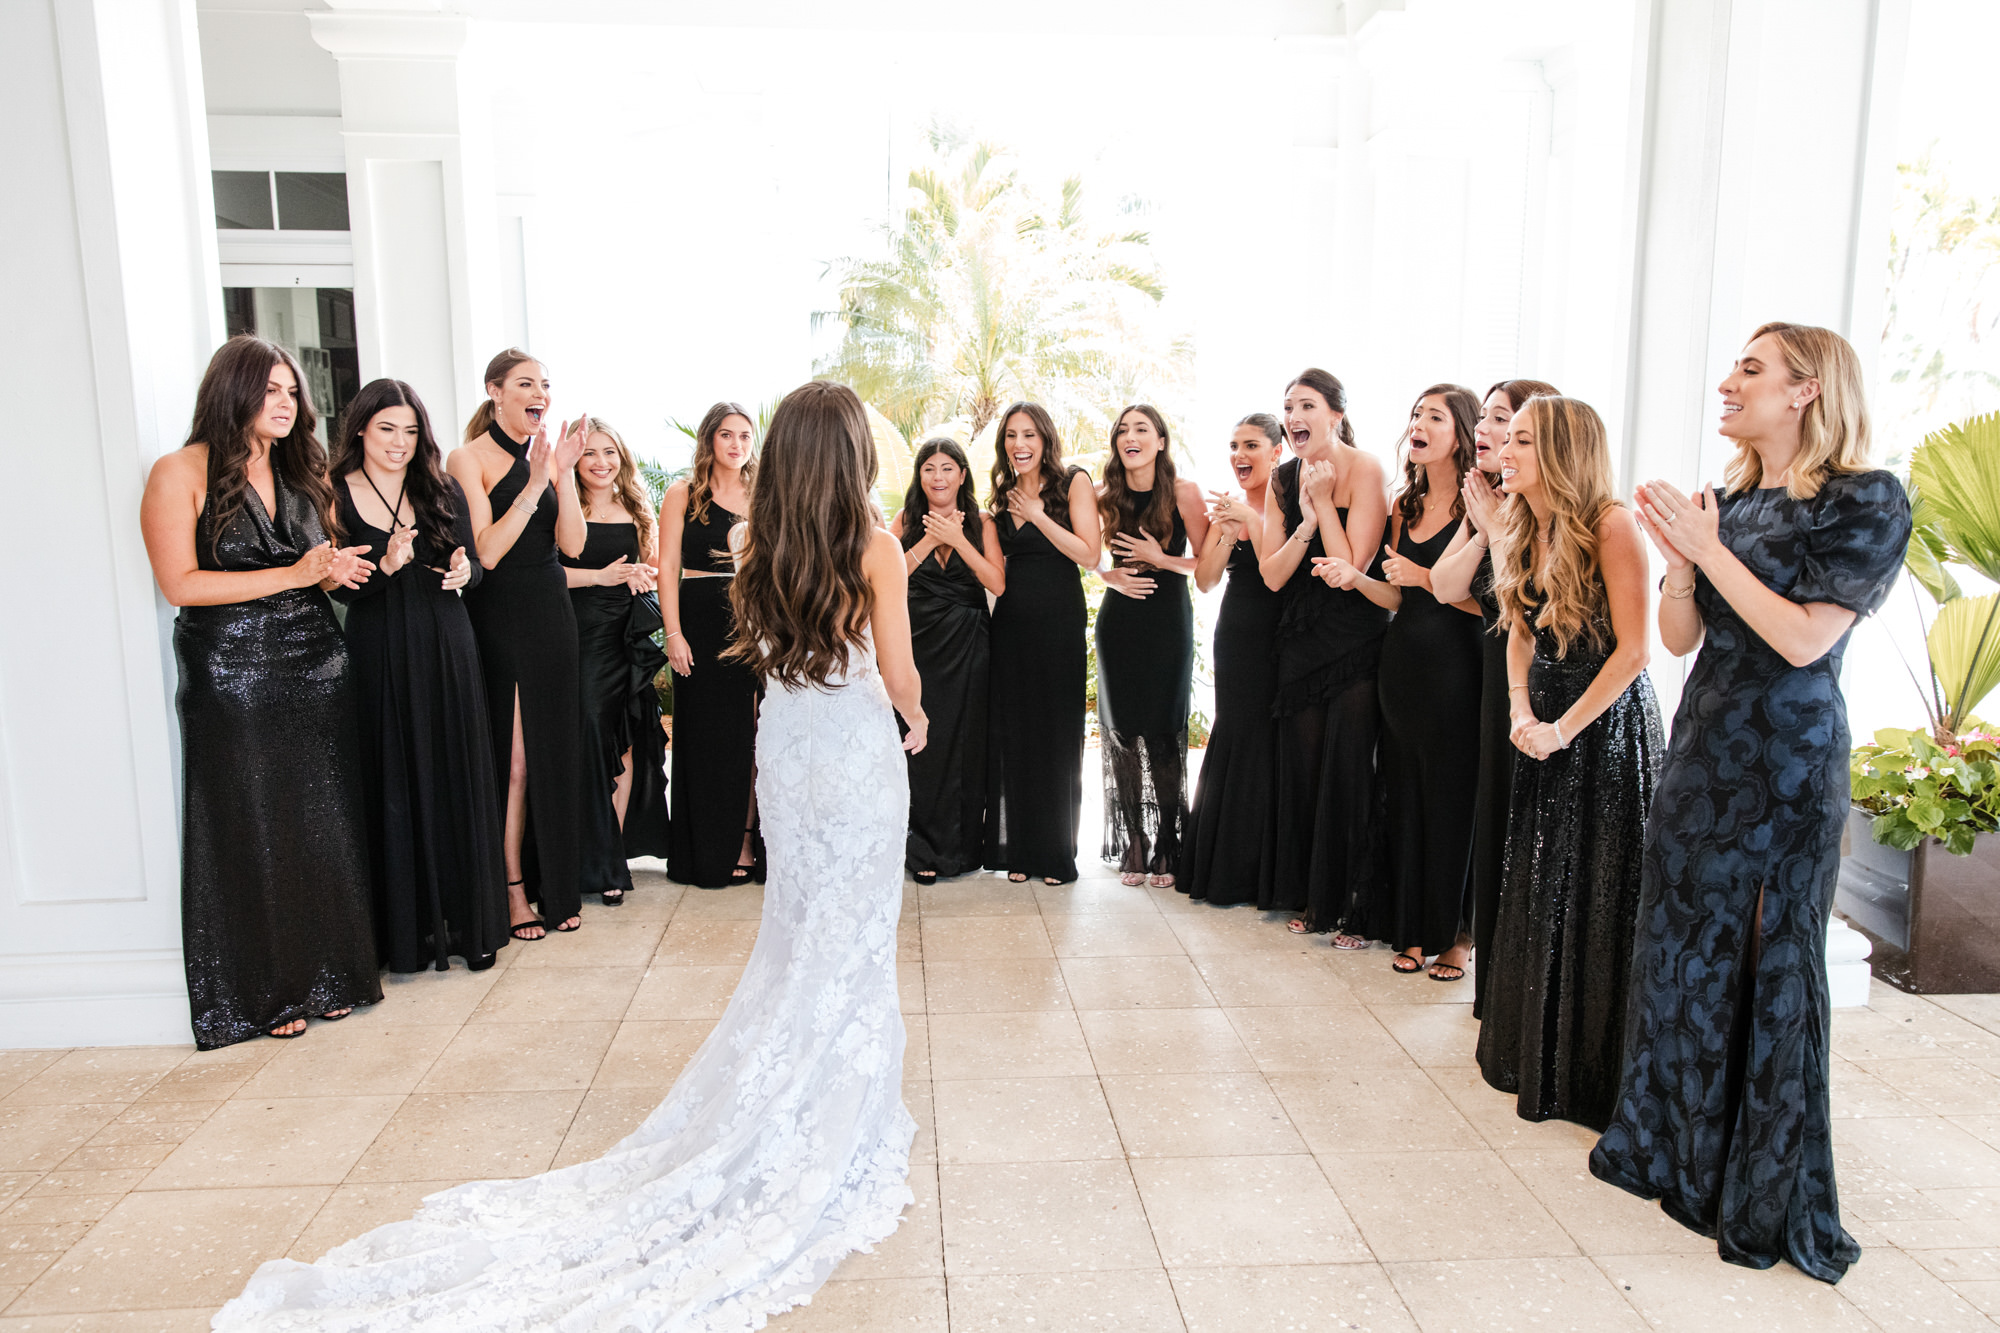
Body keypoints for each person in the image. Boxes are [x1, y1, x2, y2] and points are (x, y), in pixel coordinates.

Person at [217, 379, 928, 1331]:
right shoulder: (875, 547)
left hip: (792, 754)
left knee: (800, 929)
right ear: (852, 456)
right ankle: (836, 1111)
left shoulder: (762, 542)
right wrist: (915, 717)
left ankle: (813, 1093)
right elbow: (897, 669)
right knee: (849, 933)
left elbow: (760, 651)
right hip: (850, 753)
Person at [1591, 323, 1911, 1282]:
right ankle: (1672, 1153)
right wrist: (1682, 564)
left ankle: (1757, 1186)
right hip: (1704, 751)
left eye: (1751, 368)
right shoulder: (1727, 497)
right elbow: (1684, 637)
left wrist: (1710, 549)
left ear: (1807, 390)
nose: (1727, 380)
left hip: (1787, 761)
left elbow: (1807, 640)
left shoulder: (1866, 499)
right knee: (1682, 951)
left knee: (1768, 959)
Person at [138, 335, 380, 1046]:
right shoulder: (177, 471)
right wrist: (297, 575)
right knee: (251, 824)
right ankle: (265, 992)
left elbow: (314, 566)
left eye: (290, 390)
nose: (286, 402)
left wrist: (336, 572)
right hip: (231, 672)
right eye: (270, 389)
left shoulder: (306, 469)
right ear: (232, 390)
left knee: (321, 821)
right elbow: (180, 584)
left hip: (316, 665)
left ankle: (332, 972)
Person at [1471, 395, 1663, 1127]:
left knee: (1595, 890)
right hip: (1545, 727)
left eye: (1520, 438)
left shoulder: (1612, 523)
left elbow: (1637, 651)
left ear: (1561, 449)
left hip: (1604, 732)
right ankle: (1532, 1053)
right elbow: (1518, 630)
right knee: (1542, 882)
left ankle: (1585, 1071)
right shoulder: (1523, 520)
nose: (1503, 448)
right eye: (1507, 436)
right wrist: (1523, 711)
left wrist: (1565, 729)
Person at [328, 377, 505, 974]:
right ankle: (405, 937)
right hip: (379, 647)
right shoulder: (336, 492)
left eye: (410, 431)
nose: (400, 443)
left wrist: (464, 573)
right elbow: (335, 586)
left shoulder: (441, 486)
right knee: (395, 777)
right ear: (360, 429)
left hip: (448, 641)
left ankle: (464, 925)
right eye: (387, 429)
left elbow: (476, 564)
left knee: (453, 771)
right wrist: (384, 564)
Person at [1337, 385, 1486, 978]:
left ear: (1461, 433)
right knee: (1404, 794)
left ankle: (1455, 935)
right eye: (1415, 415)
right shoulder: (1405, 505)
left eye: (1433, 416)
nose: (1418, 425)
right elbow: (1395, 595)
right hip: (1402, 665)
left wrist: (1426, 577)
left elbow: (1491, 604)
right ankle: (1412, 926)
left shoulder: (1486, 505)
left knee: (1452, 799)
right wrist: (1356, 578)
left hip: (1459, 668)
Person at [1430, 378, 1561, 1015]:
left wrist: (1497, 528)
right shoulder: (1491, 502)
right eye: (1483, 417)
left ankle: (1520, 978)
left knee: (1525, 825)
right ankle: (1488, 966)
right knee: (1489, 814)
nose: (1485, 430)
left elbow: (1538, 608)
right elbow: (1445, 584)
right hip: (1491, 674)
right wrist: (1482, 527)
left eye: (1502, 420)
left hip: (1543, 681)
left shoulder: (1551, 511)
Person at [448, 349, 588, 938]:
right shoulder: (467, 458)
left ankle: (552, 884)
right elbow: (486, 551)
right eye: (527, 384)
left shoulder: (547, 460)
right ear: (495, 391)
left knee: (551, 754)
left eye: (546, 386)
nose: (541, 394)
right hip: (500, 612)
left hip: (552, 611)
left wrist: (562, 473)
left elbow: (574, 546)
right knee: (513, 762)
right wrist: (534, 483)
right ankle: (508, 889)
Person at [1258, 369, 1390, 939]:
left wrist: (1324, 504)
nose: (1293, 417)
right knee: (1306, 772)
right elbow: (1272, 575)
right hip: (1301, 643)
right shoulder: (1281, 478)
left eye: (1305, 405)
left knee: (1351, 772)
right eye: (1287, 407)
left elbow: (1351, 570)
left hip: (1358, 639)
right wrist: (1306, 521)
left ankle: (1352, 905)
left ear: (1335, 414)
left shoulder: (1367, 469)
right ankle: (1309, 897)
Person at [984, 401, 1102, 884]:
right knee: (1017, 734)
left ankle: (1056, 854)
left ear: (1045, 439)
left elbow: (1090, 555)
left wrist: (1037, 515)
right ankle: (1019, 851)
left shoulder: (1073, 481)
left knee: (1055, 734)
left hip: (1058, 622)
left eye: (1029, 434)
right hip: (1011, 626)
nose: (1019, 444)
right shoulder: (1002, 495)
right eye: (1011, 435)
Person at [1095, 405, 1209, 886]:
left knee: (1164, 732)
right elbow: (1083, 553)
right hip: (1119, 624)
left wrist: (1160, 558)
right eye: (1123, 430)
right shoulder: (1103, 496)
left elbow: (1206, 567)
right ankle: (1134, 842)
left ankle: (1168, 839)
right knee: (1122, 733)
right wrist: (1106, 574)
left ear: (1161, 440)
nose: (1130, 437)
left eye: (1141, 429)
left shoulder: (1184, 493)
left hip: (1167, 623)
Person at [563, 418, 669, 906]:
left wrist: (641, 575)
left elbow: (651, 566)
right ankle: (589, 854)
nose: (602, 462)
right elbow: (549, 572)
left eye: (610, 452)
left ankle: (613, 854)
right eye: (590, 454)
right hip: (580, 633)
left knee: (627, 739)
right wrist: (600, 577)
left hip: (625, 635)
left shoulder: (636, 507)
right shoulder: (564, 503)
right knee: (588, 733)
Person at [657, 402, 763, 888]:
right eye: (727, 435)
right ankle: (704, 852)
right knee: (704, 739)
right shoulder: (683, 493)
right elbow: (667, 570)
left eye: (745, 435)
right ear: (709, 440)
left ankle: (746, 842)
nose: (737, 444)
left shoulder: (766, 492)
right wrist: (673, 634)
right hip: (699, 621)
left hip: (758, 621)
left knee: (755, 734)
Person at [1180, 414, 1285, 906]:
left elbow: (1277, 572)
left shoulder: (1293, 504)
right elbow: (1205, 580)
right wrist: (1226, 527)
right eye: (1234, 446)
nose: (1240, 455)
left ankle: (1269, 869)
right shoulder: (1233, 507)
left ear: (1277, 452)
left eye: (1251, 446)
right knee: (1237, 732)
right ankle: (1226, 864)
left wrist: (1253, 520)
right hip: (1238, 633)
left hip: (1285, 633)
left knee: (1274, 742)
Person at [892, 437, 1004, 883]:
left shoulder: (982, 522)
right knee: (921, 747)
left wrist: (957, 540)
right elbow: (886, 577)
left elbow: (997, 582)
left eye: (947, 468)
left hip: (969, 645)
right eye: (929, 469)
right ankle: (919, 851)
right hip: (917, 645)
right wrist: (926, 542)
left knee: (964, 745)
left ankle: (960, 851)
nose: (938, 477)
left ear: (962, 474)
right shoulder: (903, 520)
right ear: (920, 476)